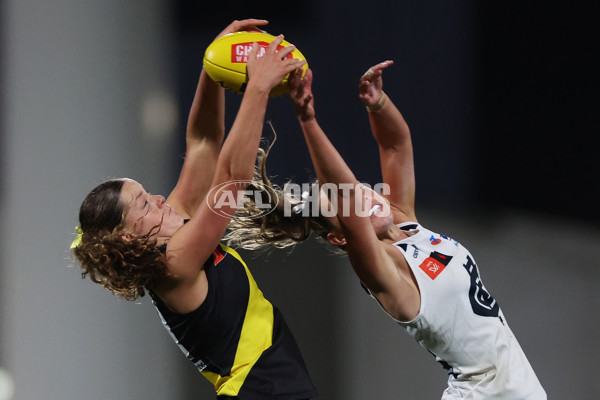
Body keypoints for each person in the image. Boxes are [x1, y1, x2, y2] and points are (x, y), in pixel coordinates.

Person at [227, 62, 547, 399]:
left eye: (365, 188)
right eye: (346, 207)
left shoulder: (405, 222)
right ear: (341, 236)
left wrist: (377, 102)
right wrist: (307, 119)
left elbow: (396, 144)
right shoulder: (381, 271)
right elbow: (346, 192)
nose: (365, 196)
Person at [70, 19, 317, 400]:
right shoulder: (174, 262)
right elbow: (232, 179)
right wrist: (258, 87)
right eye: (142, 202)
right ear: (126, 234)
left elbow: (203, 142)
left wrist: (212, 67)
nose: (157, 199)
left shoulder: (175, 227)